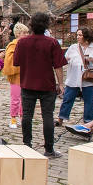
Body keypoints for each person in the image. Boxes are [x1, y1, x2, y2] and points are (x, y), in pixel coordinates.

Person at [13, 12, 67, 158]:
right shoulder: (52, 42)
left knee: (27, 116)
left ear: (31, 25)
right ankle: (49, 149)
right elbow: (58, 66)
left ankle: (27, 145)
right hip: (46, 84)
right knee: (47, 116)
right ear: (46, 26)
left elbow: (16, 62)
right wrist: (61, 83)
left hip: (27, 82)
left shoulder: (22, 42)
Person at [57, 27, 93, 126]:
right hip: (74, 78)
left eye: (80, 35)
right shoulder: (73, 47)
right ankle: (61, 119)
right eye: (77, 35)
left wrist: (92, 60)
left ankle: (87, 122)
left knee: (89, 102)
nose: (78, 37)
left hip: (89, 79)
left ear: (87, 36)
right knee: (67, 98)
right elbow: (65, 60)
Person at [2, 22, 29, 129]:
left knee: (24, 99)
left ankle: (22, 117)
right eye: (24, 33)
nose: (26, 35)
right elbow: (9, 61)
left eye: (27, 32)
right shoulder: (13, 45)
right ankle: (13, 118)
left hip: (26, 76)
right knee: (15, 98)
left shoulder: (28, 44)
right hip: (16, 77)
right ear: (18, 34)